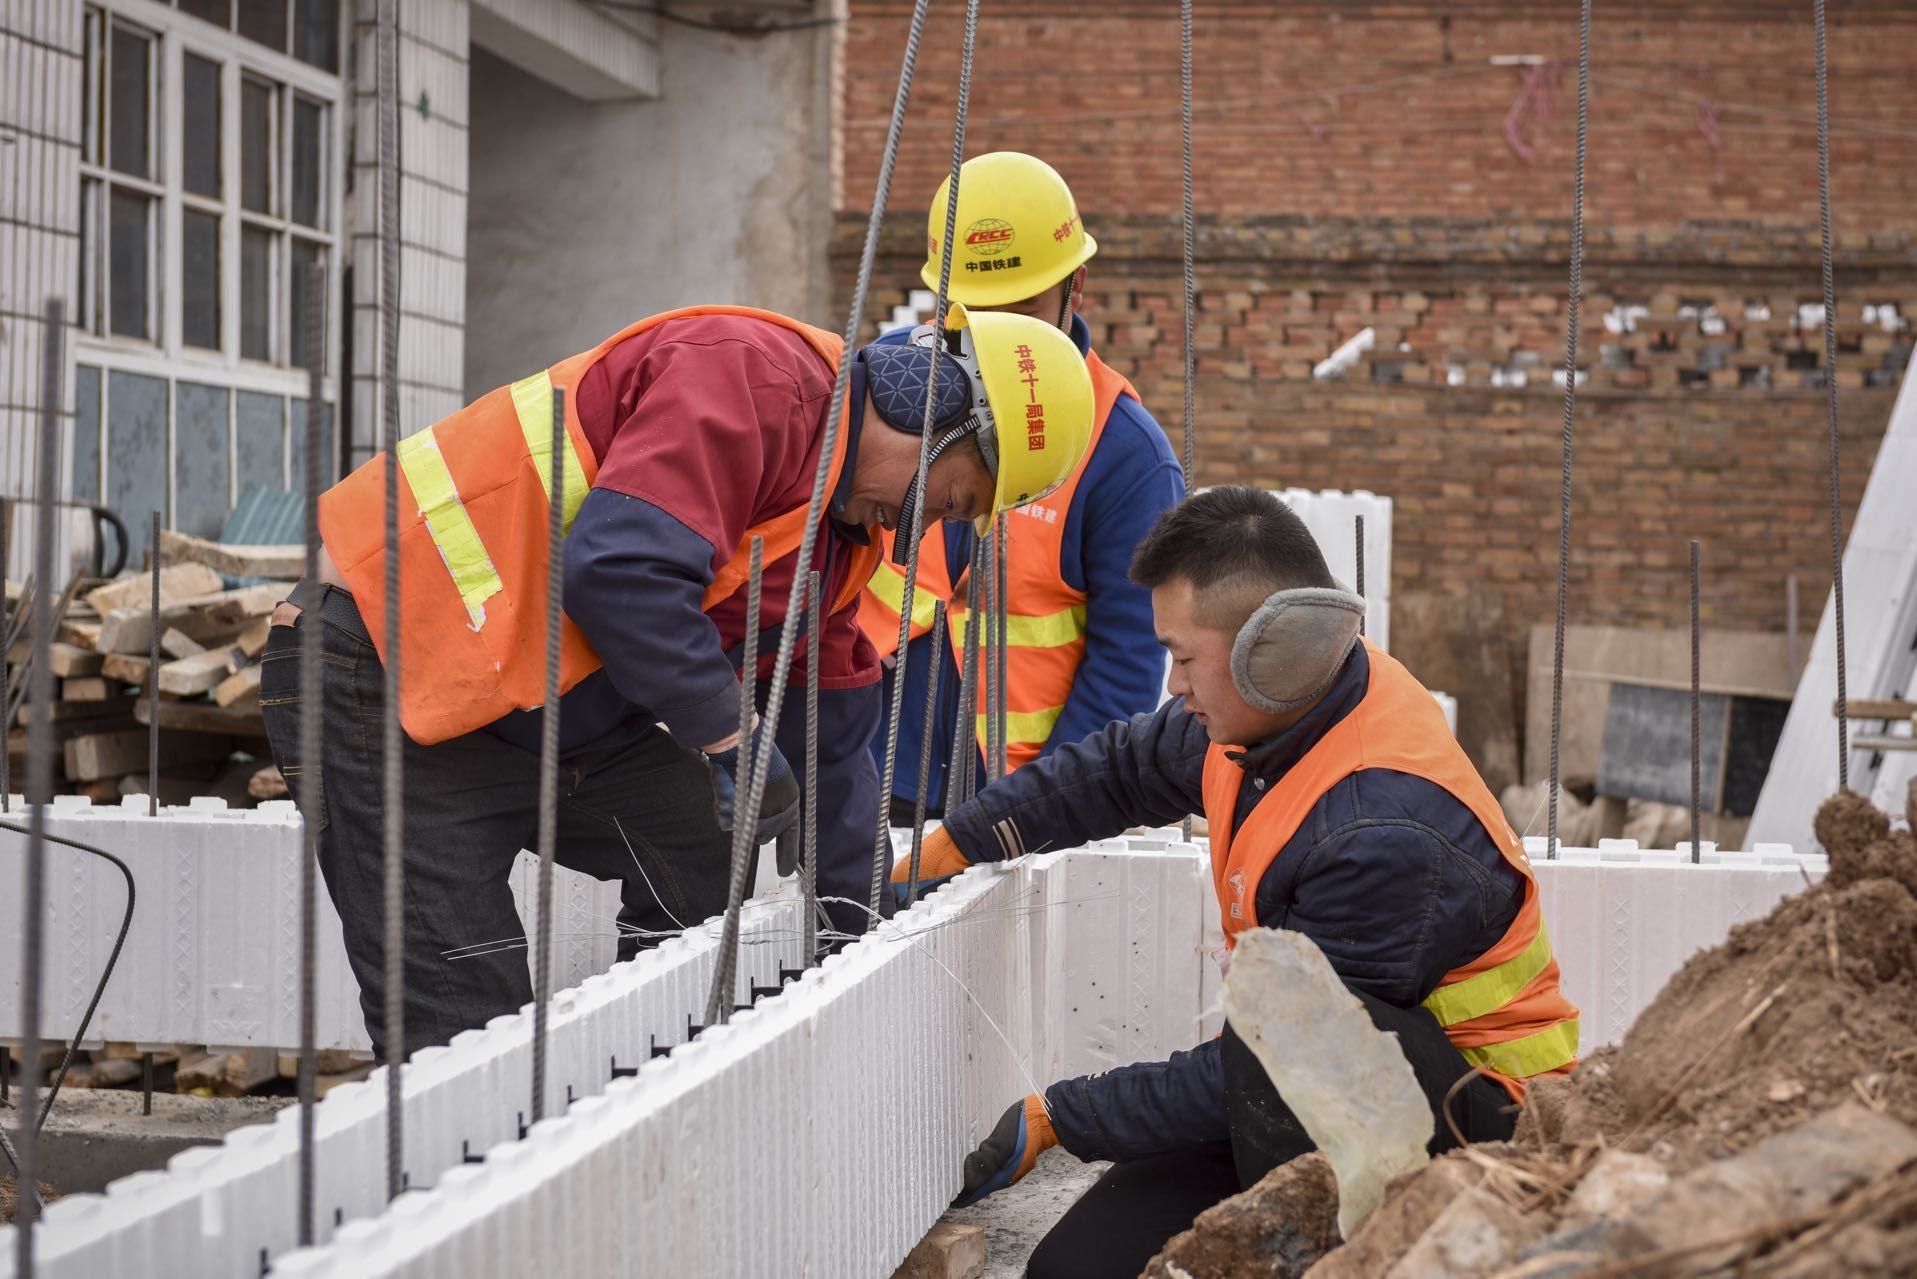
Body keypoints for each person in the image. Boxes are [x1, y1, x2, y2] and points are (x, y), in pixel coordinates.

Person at [258, 303, 1094, 1061]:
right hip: (379, 670)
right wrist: (729, 736)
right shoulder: (748, 375)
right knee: (466, 1029)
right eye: (949, 499)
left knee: (701, 834)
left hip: (521, 705)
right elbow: (621, 570)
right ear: (930, 409)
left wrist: (860, 923)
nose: (918, 534)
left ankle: (643, 1068)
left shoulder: (835, 546)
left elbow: (830, 744)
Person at [893, 487, 1580, 1278]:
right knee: (1071, 1270)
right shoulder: (1269, 714)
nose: (1172, 683)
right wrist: (956, 843)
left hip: (1473, 1123)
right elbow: (1116, 771)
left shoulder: (1381, 829)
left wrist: (1065, 1118)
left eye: (1182, 656)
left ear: (1274, 650)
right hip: (1318, 1078)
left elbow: (1288, 1059)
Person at [861, 153, 1184, 817]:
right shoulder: (888, 383)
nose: (999, 338)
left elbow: (1125, 661)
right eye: (975, 312)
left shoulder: (1124, 452)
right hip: (862, 762)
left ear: (1077, 290)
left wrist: (1036, 814)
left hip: (1008, 795)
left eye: (1025, 309)